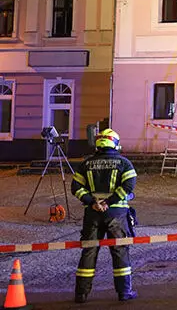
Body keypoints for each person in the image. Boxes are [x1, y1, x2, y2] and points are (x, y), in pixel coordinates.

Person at [71, 129, 138, 303]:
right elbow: (128, 186)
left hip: (93, 214)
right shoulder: (124, 163)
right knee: (119, 251)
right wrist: (109, 201)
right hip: (116, 213)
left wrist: (91, 202)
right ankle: (124, 292)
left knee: (89, 251)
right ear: (115, 143)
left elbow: (75, 187)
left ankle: (81, 294)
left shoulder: (86, 164)